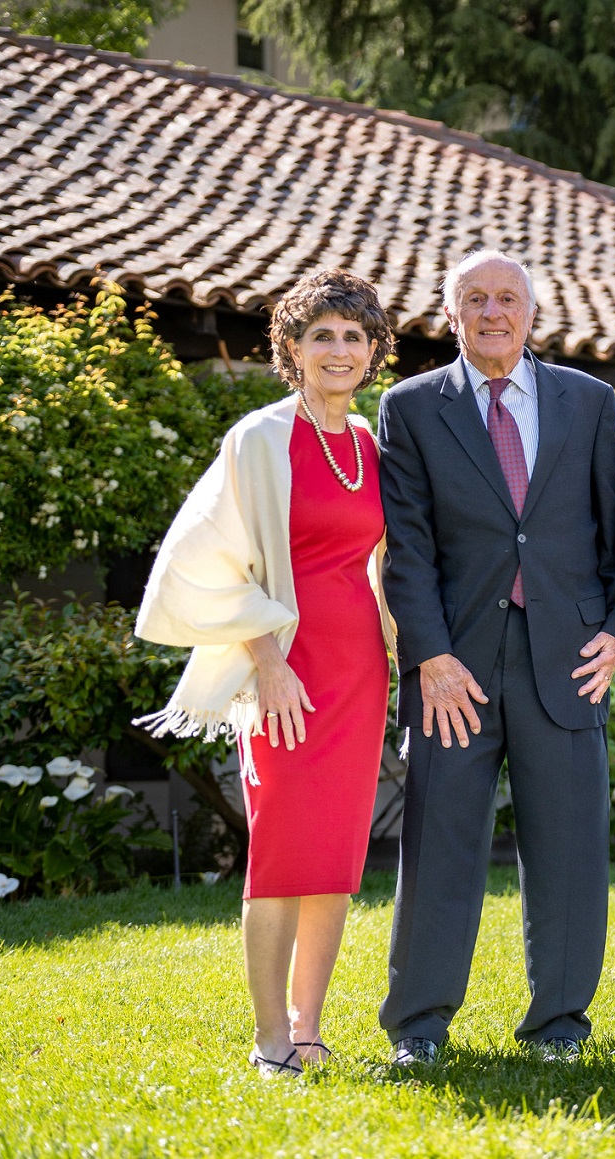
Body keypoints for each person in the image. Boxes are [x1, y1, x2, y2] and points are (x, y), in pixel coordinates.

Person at [135, 269, 396, 1077]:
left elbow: (384, 566)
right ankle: (268, 1038)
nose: (339, 349)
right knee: (283, 846)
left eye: (355, 336)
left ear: (375, 351)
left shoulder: (371, 447)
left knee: (335, 857)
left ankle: (308, 1025)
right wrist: (268, 661)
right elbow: (212, 556)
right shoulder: (259, 439)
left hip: (358, 671)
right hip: (284, 670)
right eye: (323, 334)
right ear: (292, 347)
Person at [376, 250, 615, 1066]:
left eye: (508, 299)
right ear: (451, 315)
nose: (493, 312)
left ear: (532, 313)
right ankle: (419, 1024)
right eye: (476, 299)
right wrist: (430, 657)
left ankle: (559, 1023)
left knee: (569, 851)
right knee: (441, 846)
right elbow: (407, 550)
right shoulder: (410, 408)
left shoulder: (588, 402)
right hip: (457, 668)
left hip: (569, 656)